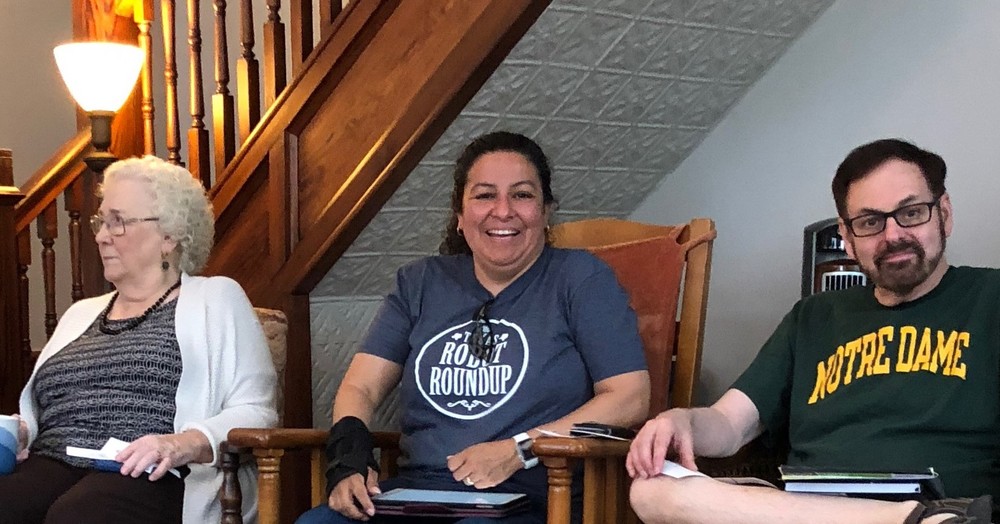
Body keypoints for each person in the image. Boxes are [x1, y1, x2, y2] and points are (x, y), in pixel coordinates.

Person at [626, 138, 999, 524]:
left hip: (958, 503)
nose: (892, 235)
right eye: (870, 222)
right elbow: (729, 424)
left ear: (945, 214)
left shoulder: (991, 299)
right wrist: (680, 422)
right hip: (813, 511)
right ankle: (910, 519)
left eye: (911, 212)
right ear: (848, 239)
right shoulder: (812, 318)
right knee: (652, 490)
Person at [297, 131, 651, 523]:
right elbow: (360, 386)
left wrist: (520, 449)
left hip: (533, 499)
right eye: (484, 195)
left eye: (522, 194)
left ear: (546, 210)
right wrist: (349, 459)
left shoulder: (581, 279)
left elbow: (629, 395)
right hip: (417, 495)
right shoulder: (419, 283)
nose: (503, 211)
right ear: (460, 215)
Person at [0, 156, 278, 524]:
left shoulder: (217, 299)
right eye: (102, 222)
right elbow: (42, 411)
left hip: (150, 472)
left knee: (79, 515)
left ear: (169, 235)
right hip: (51, 460)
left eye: (118, 222)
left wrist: (180, 444)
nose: (100, 235)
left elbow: (259, 413)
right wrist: (20, 431)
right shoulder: (80, 313)